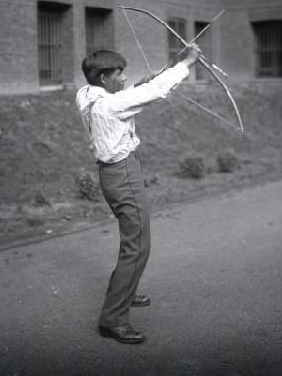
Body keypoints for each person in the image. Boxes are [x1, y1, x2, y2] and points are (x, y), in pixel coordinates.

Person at [76, 44, 201, 344]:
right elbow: (156, 91)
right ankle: (113, 319)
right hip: (123, 175)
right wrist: (187, 63)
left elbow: (125, 95)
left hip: (113, 174)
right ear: (104, 77)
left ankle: (124, 293)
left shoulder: (86, 94)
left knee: (131, 241)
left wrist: (137, 85)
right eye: (120, 74)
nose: (124, 77)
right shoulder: (111, 105)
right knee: (139, 246)